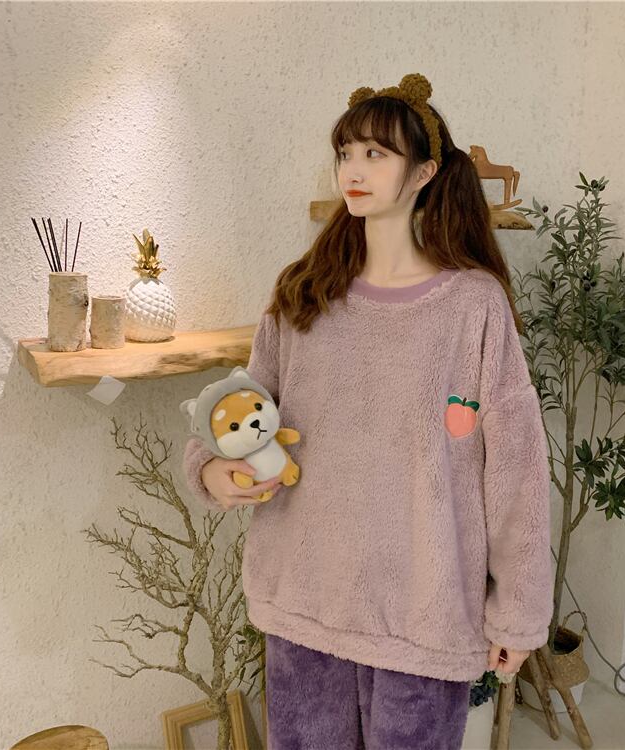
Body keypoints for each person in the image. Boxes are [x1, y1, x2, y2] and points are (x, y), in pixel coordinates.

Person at [182, 73, 553, 750]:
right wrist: (211, 469)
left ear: (425, 173)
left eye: (375, 155)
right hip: (305, 602)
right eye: (345, 153)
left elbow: (517, 471)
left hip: (422, 614)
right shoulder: (303, 294)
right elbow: (240, 405)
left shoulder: (474, 306)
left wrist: (518, 613)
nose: (352, 170)